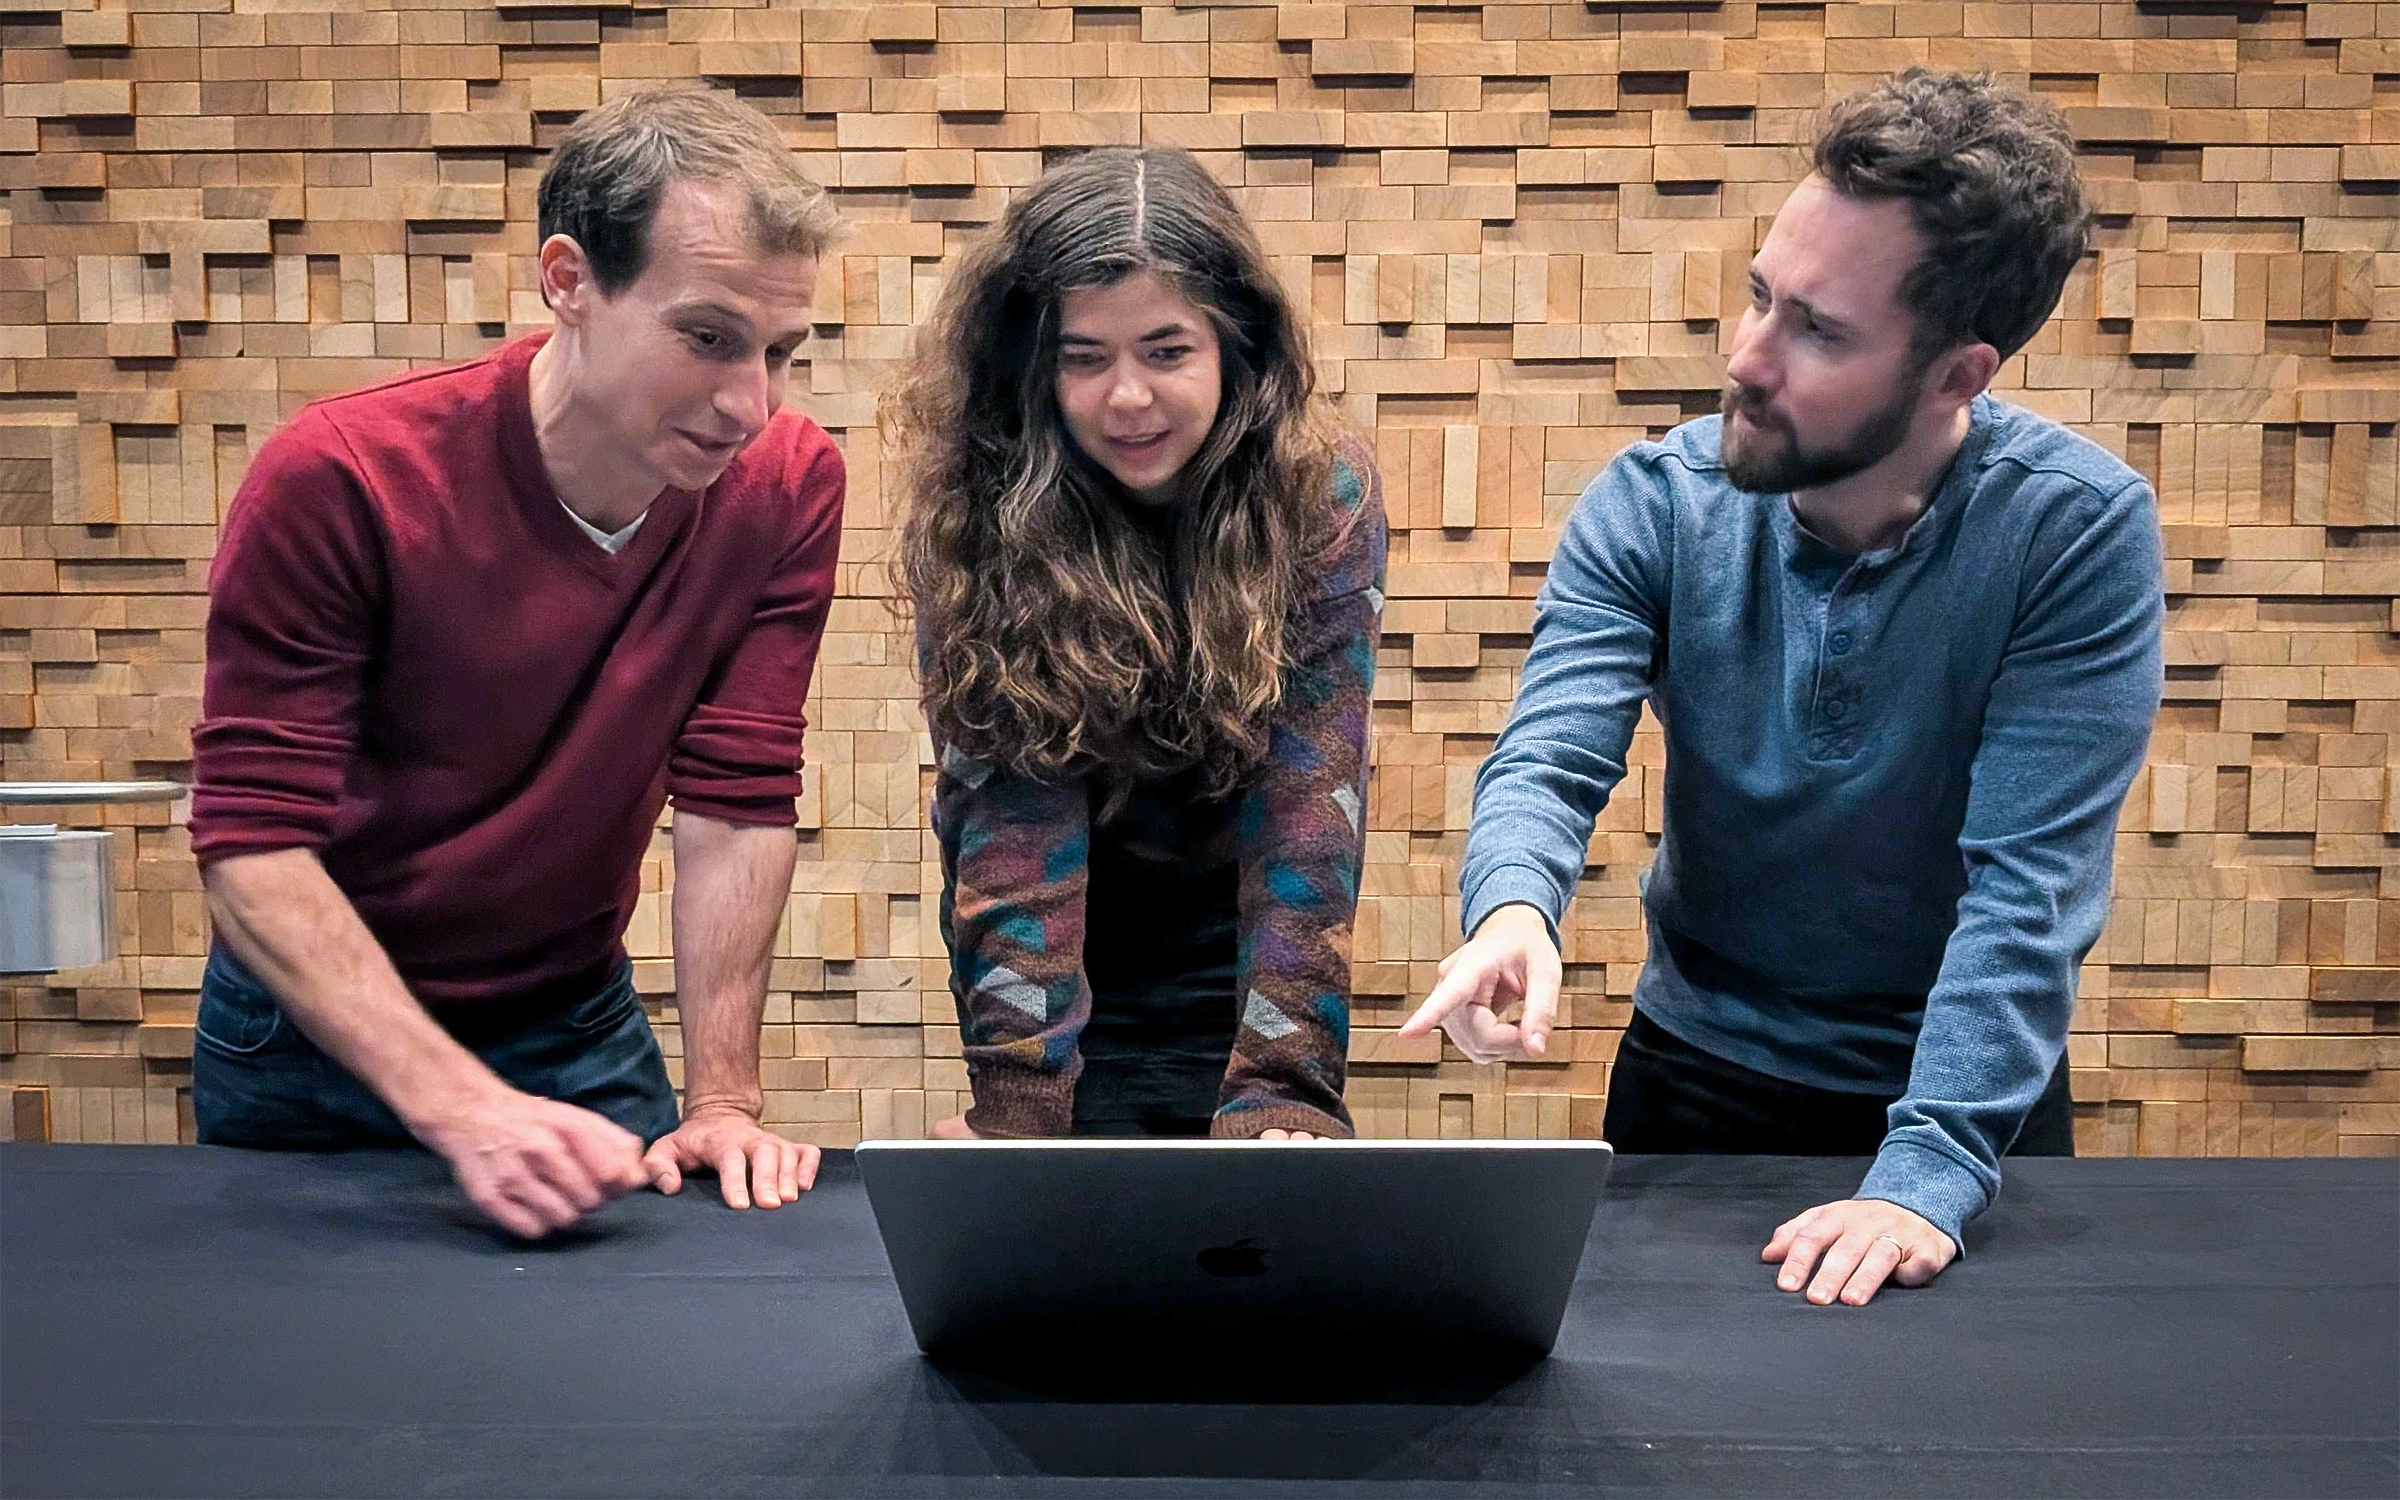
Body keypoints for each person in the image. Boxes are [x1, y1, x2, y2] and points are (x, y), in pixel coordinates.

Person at [1403, 69, 2164, 1304]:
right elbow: (1549, 755)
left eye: (1819, 330)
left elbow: (2029, 891)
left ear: (1957, 377)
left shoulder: (2073, 533)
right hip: (1694, 1081)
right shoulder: (1654, 505)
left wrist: (1924, 1173)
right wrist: (1512, 910)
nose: (1746, 359)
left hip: (1963, 1110)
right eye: (1761, 296)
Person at [187, 84, 847, 1239]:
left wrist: (725, 1099)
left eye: (780, 352)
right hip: (308, 1040)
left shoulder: (787, 487)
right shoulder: (342, 478)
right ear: (568, 281)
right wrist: (461, 1106)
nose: (750, 402)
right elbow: (251, 842)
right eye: (708, 338)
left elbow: (738, 802)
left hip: (574, 1029)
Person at [885, 146, 1386, 1141]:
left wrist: (1287, 1082)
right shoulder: (979, 513)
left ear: (1233, 347)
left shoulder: (1317, 493)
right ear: (1036, 363)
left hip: (1240, 947)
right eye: (1085, 357)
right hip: (1051, 952)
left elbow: (1309, 803)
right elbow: (1015, 828)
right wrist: (1020, 1104)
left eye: (1166, 351)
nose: (1127, 397)